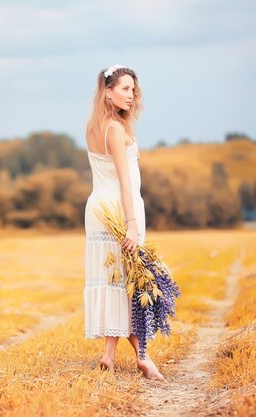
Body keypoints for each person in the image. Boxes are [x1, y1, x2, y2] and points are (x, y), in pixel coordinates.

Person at [83, 64, 166, 381]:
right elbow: (125, 183)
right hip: (120, 209)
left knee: (113, 280)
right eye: (125, 89)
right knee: (129, 284)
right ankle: (143, 357)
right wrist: (131, 223)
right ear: (108, 92)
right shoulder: (116, 131)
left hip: (98, 209)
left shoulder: (95, 126)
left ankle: (108, 355)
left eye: (133, 89)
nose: (132, 95)